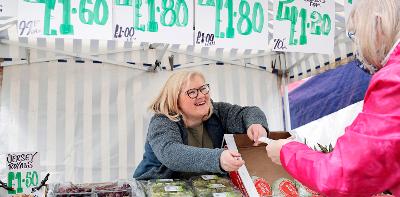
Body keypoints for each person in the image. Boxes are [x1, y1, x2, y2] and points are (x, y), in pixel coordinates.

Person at [266, 0, 400, 196]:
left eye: (356, 35)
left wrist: (287, 151)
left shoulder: (393, 79)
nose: (358, 46)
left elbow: (343, 174)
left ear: (377, 25)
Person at [133, 70, 269, 179]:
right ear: (175, 100)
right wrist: (218, 159)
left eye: (203, 88)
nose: (201, 95)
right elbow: (171, 153)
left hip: (203, 188)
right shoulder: (162, 121)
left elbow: (249, 112)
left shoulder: (218, 112)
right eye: (192, 92)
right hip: (156, 189)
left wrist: (256, 124)